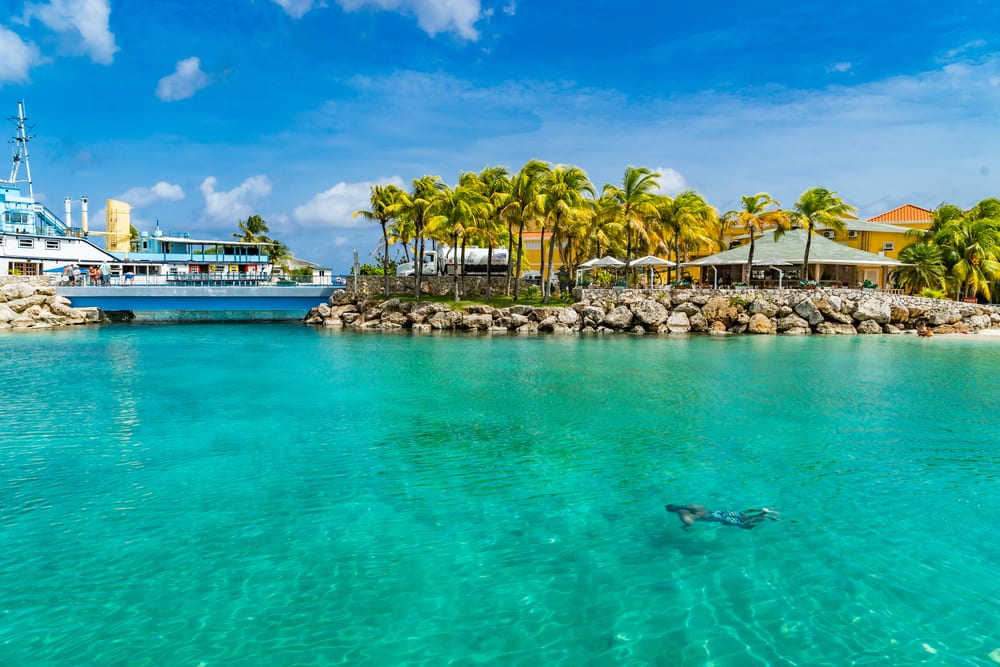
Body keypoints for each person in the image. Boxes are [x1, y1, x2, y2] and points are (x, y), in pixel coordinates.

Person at [665, 504, 779, 530]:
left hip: (716, 518)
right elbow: (702, 506)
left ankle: (762, 514)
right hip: (718, 512)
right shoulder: (689, 506)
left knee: (743, 524)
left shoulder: (683, 515)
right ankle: (765, 513)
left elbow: (689, 523)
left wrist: (684, 527)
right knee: (742, 513)